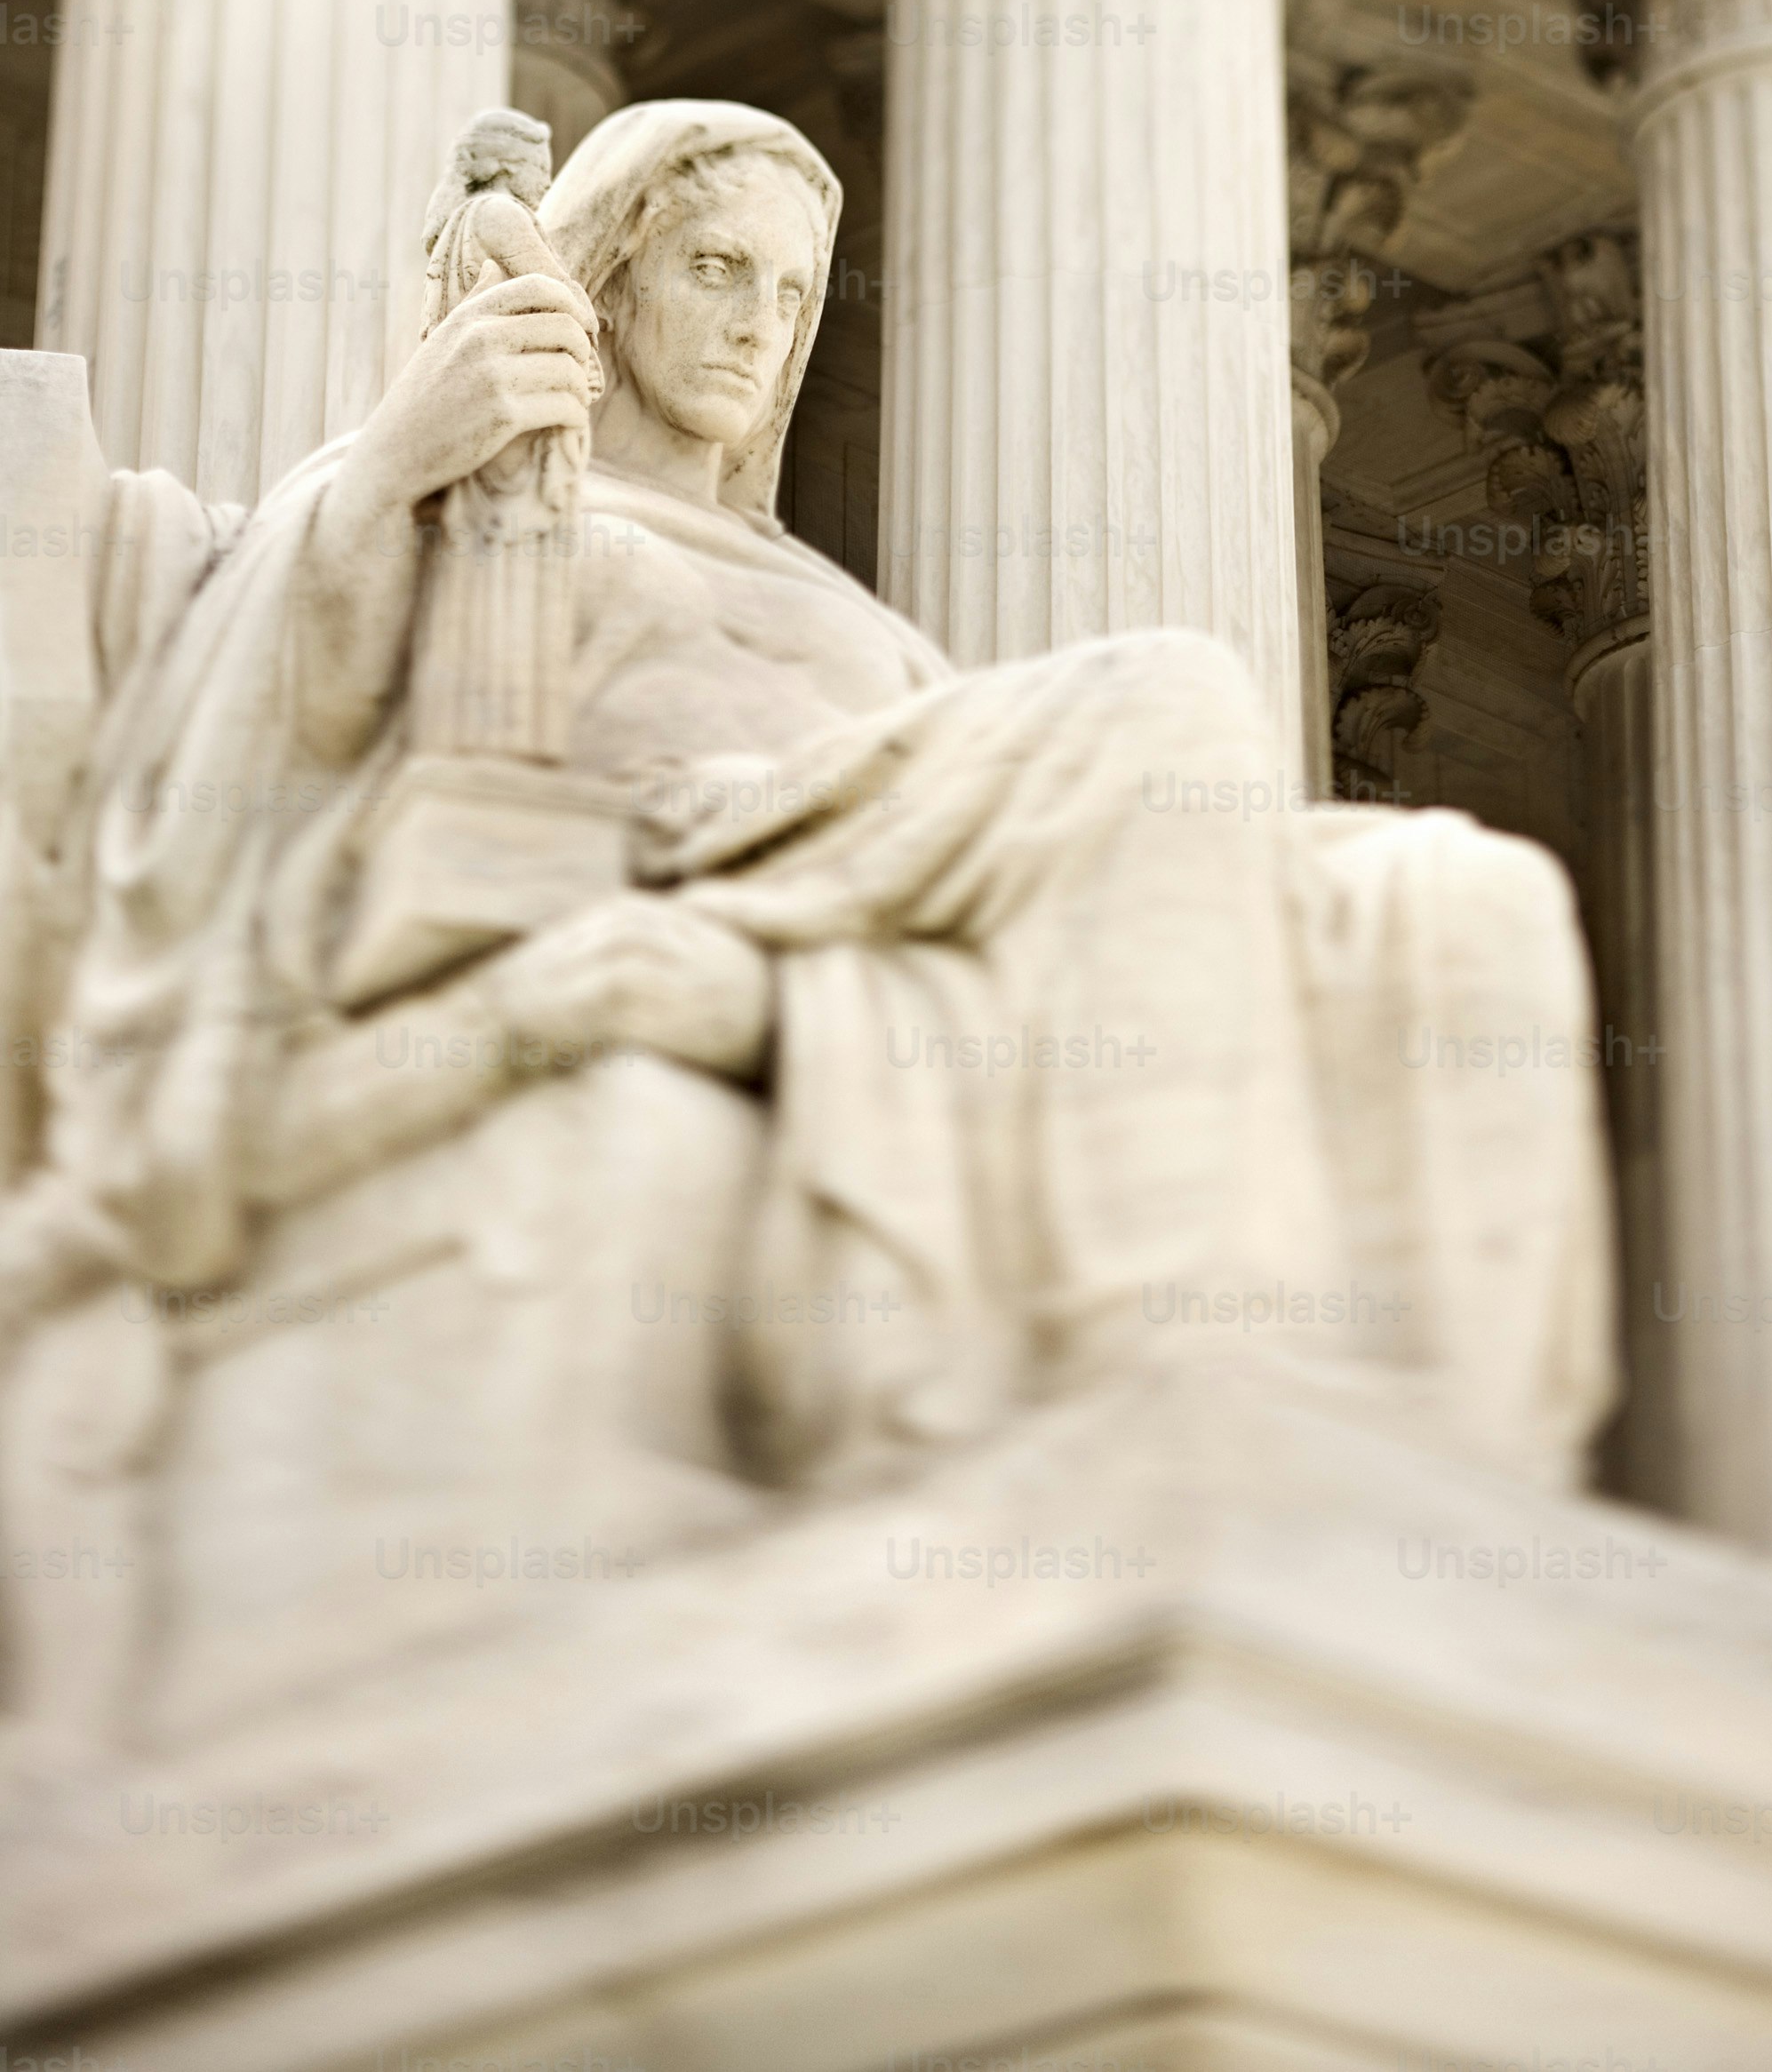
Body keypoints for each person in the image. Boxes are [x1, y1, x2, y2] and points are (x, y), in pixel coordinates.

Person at [16, 103, 1613, 1494]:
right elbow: (265, 745)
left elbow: (968, 778)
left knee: (1467, 899)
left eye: (790, 294)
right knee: (1173, 700)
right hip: (693, 851)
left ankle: (1435, 1466)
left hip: (888, 873)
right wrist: (396, 460)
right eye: (715, 269)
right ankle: (1173, 1360)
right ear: (610, 270)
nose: (757, 325)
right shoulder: (450, 488)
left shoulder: (822, 594)